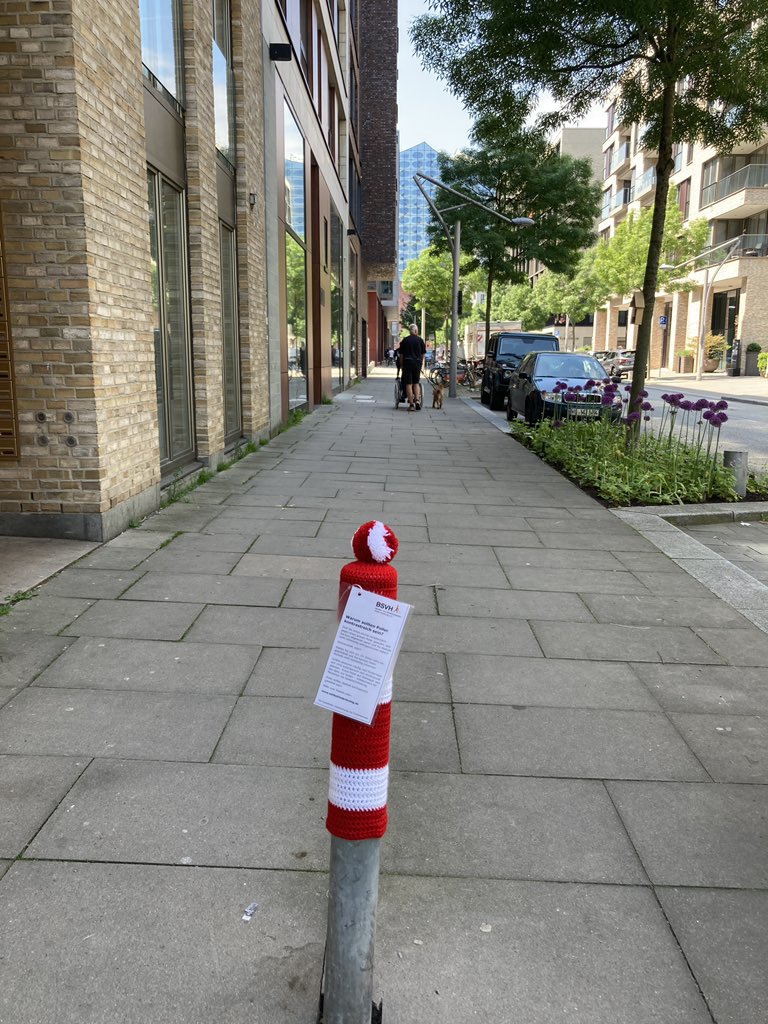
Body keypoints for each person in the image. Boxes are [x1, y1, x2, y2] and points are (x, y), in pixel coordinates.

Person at [398, 324, 426, 410]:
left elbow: (401, 355)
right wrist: (421, 363)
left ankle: (411, 405)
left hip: (407, 363)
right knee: (416, 383)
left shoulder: (404, 341)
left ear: (410, 331)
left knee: (408, 384)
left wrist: (402, 365)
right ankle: (417, 400)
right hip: (417, 363)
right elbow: (423, 354)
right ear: (416, 331)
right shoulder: (420, 340)